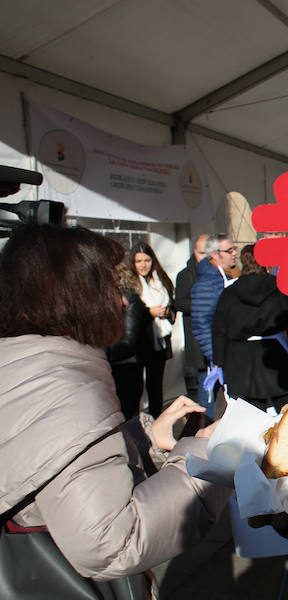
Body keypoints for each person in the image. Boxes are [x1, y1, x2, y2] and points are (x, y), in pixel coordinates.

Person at [0, 224, 229, 596]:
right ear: (74, 294)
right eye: (109, 285)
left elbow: (46, 468)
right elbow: (114, 544)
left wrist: (140, 440)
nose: (123, 301)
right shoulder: (67, 388)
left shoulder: (21, 364)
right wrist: (205, 457)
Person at [211, 245, 288, 413]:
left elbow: (220, 329)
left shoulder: (229, 292)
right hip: (275, 357)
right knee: (287, 416)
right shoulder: (279, 288)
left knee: (250, 420)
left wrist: (219, 362)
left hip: (240, 362)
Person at [191, 234, 238, 418]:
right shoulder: (207, 282)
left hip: (231, 354)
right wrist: (216, 358)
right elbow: (201, 324)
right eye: (229, 250)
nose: (234, 253)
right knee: (218, 412)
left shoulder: (227, 274)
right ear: (215, 254)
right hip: (219, 359)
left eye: (234, 249)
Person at [128, 242, 175, 417]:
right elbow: (127, 313)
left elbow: (173, 306)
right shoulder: (130, 283)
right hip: (139, 342)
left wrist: (167, 311)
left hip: (159, 342)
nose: (143, 265)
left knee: (155, 386)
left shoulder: (161, 280)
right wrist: (149, 312)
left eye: (146, 260)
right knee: (135, 387)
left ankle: (156, 422)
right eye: (138, 260)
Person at [106, 261, 154, 419]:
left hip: (126, 365)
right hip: (116, 366)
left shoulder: (130, 298)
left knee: (128, 413)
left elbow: (130, 339)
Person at [175, 233, 208, 403]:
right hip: (199, 339)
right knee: (205, 385)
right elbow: (180, 303)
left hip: (218, 338)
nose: (206, 257)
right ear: (195, 251)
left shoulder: (221, 271)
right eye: (202, 253)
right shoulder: (185, 275)